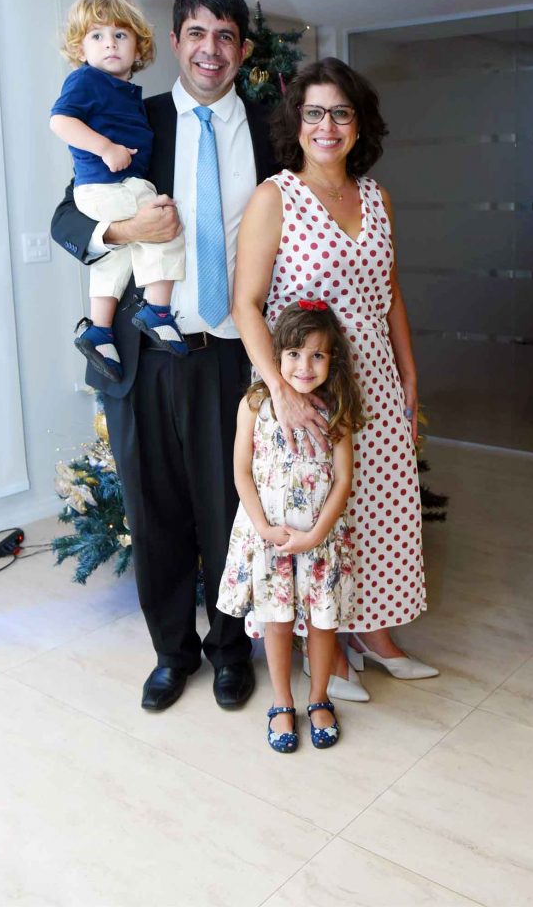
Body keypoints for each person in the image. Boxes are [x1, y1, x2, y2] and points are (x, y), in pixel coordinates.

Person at [51, 0, 277, 712]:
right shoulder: (134, 114)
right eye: (197, 34)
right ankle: (171, 653)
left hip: (231, 353)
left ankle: (230, 650)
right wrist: (123, 230)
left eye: (226, 36)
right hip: (144, 353)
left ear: (243, 49)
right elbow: (66, 216)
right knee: (155, 514)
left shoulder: (272, 132)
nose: (211, 49)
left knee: (229, 510)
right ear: (175, 42)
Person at [231, 56, 437, 703]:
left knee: (378, 509)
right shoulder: (275, 197)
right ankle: (328, 647)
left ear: (359, 124)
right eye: (314, 112)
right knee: (320, 511)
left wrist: (408, 375)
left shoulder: (376, 197)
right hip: (306, 388)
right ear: (297, 122)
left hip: (374, 381)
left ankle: (373, 633)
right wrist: (281, 393)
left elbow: (391, 294)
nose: (327, 126)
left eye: (341, 113)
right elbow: (246, 304)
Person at [217, 300, 366, 751]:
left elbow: (344, 480)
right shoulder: (255, 404)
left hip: (320, 539)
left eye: (317, 355)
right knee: (276, 621)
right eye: (295, 354)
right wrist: (263, 528)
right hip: (271, 539)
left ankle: (319, 698)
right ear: (277, 354)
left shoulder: (336, 407)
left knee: (322, 624)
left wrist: (317, 534)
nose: (305, 366)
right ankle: (282, 702)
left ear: (332, 359)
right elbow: (241, 471)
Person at [51, 0, 188, 382]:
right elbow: (60, 121)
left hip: (106, 188)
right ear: (80, 49)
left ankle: (99, 331)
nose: (109, 43)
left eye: (120, 35)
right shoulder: (86, 80)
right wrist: (105, 148)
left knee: (114, 260)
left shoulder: (125, 94)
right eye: (97, 36)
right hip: (110, 183)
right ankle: (157, 310)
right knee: (163, 223)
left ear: (138, 48)